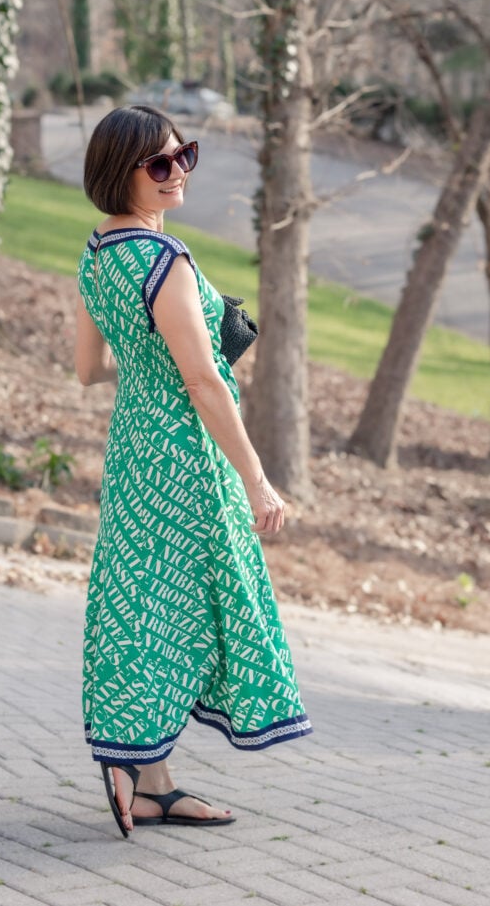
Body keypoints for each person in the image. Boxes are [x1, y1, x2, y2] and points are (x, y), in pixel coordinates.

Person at [75, 104, 312, 837]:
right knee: (196, 601)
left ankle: (148, 778)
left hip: (133, 448)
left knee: (141, 596)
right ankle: (133, 759)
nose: (176, 172)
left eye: (185, 156)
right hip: (186, 455)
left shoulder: (97, 253)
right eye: (159, 164)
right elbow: (205, 384)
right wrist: (257, 479)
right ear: (123, 174)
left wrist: (148, 338)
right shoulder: (163, 265)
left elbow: (88, 368)